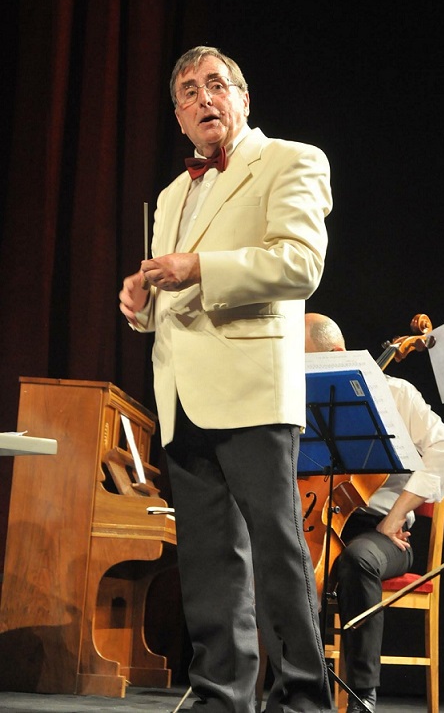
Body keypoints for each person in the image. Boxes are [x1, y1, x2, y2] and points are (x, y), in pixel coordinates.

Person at [119, 46, 334, 713]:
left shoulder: (291, 160)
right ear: (179, 117)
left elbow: (299, 264)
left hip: (252, 387)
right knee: (209, 559)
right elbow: (169, 294)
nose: (204, 98)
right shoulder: (171, 195)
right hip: (182, 393)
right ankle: (220, 696)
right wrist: (141, 303)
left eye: (216, 85)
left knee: (276, 551)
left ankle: (302, 699)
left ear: (243, 99)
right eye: (189, 91)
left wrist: (200, 268)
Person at [304, 312, 444, 713]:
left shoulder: (397, 394)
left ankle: (362, 695)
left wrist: (395, 515)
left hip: (380, 533)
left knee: (357, 560)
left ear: (336, 354)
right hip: (317, 519)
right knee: (283, 558)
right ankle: (298, 688)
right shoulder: (297, 398)